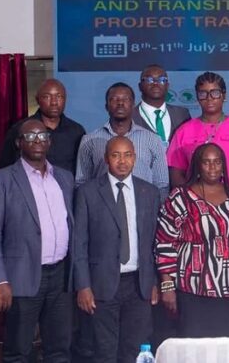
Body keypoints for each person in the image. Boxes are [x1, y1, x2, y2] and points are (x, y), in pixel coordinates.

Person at [0, 118, 75, 363]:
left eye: (42, 136)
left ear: (49, 142)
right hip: (22, 276)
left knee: (59, 350)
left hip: (61, 276)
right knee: (18, 351)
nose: (37, 141)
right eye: (30, 136)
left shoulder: (64, 178)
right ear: (19, 143)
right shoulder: (1, 180)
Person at [72, 136, 161, 363]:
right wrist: (83, 286)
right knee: (105, 351)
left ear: (135, 158)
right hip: (101, 284)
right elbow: (79, 243)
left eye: (127, 155)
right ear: (106, 159)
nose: (122, 161)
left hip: (139, 285)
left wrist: (153, 282)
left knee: (134, 350)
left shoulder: (149, 192)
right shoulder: (88, 192)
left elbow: (154, 242)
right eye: (116, 155)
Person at [155, 143, 229, 337]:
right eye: (206, 162)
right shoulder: (180, 197)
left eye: (217, 162)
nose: (212, 167)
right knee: (195, 345)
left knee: (226, 346)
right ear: (198, 165)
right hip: (193, 287)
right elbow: (164, 242)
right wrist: (167, 285)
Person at [75, 82, 169, 194]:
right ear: (106, 106)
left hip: (143, 203)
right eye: (114, 99)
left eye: (126, 99)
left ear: (133, 105)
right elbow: (81, 183)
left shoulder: (152, 140)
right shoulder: (89, 141)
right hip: (102, 203)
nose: (120, 103)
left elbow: (162, 185)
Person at [166, 71, 229, 188]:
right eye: (203, 93)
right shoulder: (184, 131)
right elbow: (176, 173)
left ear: (224, 95)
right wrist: (191, 195)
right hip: (193, 197)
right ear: (197, 97)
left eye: (215, 93)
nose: (209, 98)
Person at [0, 79, 86, 173]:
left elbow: (84, 170)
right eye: (47, 97)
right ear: (37, 99)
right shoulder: (20, 129)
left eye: (59, 97)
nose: (54, 102)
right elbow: (4, 168)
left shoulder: (77, 131)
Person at [133, 64, 191, 144]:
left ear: (167, 86)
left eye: (162, 80)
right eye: (149, 80)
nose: (156, 84)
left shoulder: (182, 114)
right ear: (140, 86)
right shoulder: (130, 117)